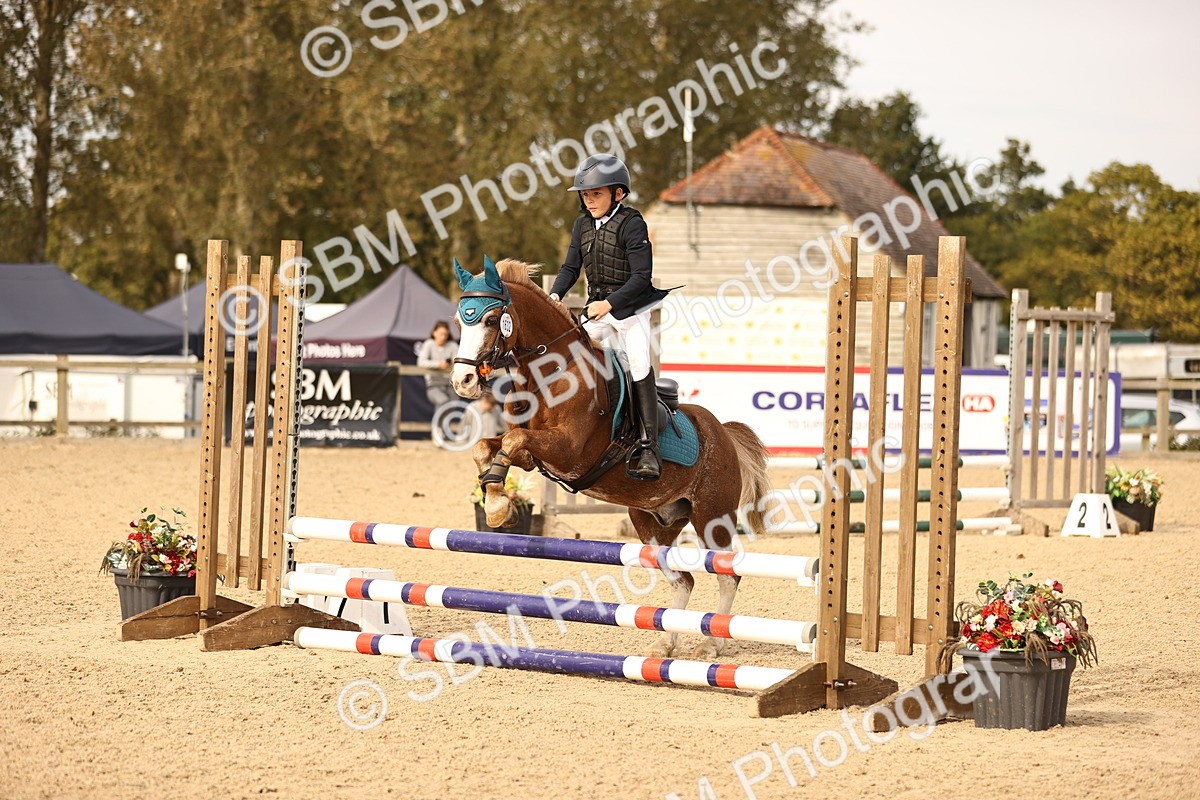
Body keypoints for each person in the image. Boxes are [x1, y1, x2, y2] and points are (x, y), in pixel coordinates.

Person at [549, 154, 669, 480]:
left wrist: (610, 304)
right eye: (585, 195)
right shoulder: (582, 225)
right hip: (596, 311)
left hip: (629, 310)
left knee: (639, 363)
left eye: (596, 194)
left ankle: (649, 447)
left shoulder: (633, 223)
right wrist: (555, 296)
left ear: (618, 193)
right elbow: (570, 268)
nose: (589, 201)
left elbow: (641, 276)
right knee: (568, 355)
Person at [417, 320, 457, 417]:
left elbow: (459, 361)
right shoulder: (429, 344)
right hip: (434, 384)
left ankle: (440, 426)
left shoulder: (453, 345)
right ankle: (437, 426)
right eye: (441, 334)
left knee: (451, 408)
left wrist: (452, 362)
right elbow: (421, 362)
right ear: (434, 333)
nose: (443, 337)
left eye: (445, 334)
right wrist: (438, 364)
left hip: (450, 385)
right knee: (443, 401)